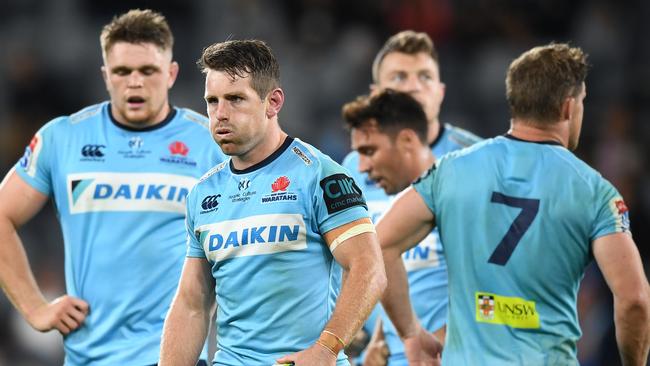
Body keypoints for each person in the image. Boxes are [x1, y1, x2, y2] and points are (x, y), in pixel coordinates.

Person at [377, 43, 650, 365]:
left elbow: (378, 245)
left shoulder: (450, 171)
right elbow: (634, 300)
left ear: (514, 102)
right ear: (567, 108)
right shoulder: (595, 192)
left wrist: (410, 332)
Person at [0, 9, 224, 365]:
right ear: (106, 76)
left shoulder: (210, 144)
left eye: (148, 71)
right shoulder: (63, 138)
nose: (135, 82)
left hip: (176, 356)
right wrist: (34, 307)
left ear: (171, 74)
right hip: (89, 356)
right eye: (122, 72)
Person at [158, 39, 387, 366]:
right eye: (212, 101)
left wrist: (326, 349)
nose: (220, 114)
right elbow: (192, 304)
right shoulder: (203, 194)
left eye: (235, 99)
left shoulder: (320, 176)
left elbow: (369, 268)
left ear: (273, 102)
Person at [341, 30, 481, 365]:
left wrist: (440, 342)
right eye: (399, 77)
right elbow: (358, 260)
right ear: (377, 94)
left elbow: (500, 274)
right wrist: (367, 335)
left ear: (441, 91)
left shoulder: (476, 160)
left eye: (425, 77)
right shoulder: (355, 167)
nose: (414, 86)